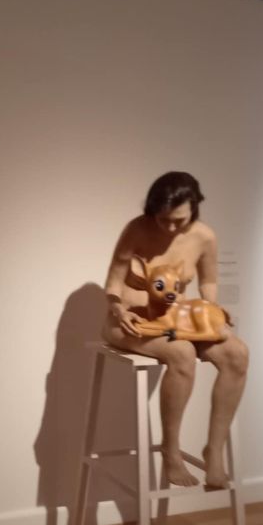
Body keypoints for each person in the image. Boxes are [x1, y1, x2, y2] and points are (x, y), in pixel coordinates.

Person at [102, 172, 248, 489]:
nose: (170, 228)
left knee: (237, 353)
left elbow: (208, 280)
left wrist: (212, 308)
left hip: (177, 320)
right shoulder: (136, 229)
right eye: (163, 220)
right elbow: (113, 280)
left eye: (178, 221)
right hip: (131, 322)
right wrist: (118, 308)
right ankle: (171, 450)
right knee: (181, 352)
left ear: (194, 207)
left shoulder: (204, 236)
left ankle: (214, 450)